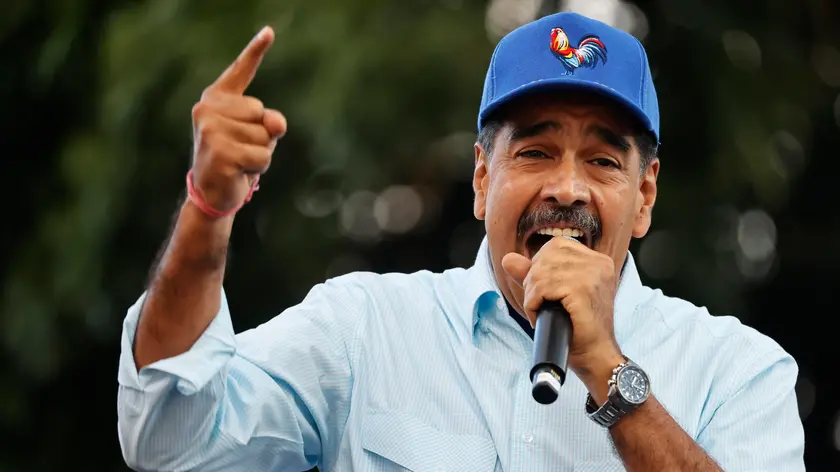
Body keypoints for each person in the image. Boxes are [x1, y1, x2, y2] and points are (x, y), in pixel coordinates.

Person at [117, 12, 805, 472]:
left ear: (645, 195)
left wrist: (606, 369)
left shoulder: (737, 371)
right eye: (535, 152)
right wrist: (208, 209)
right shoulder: (364, 332)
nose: (567, 189)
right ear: (482, 179)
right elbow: (168, 438)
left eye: (602, 162)